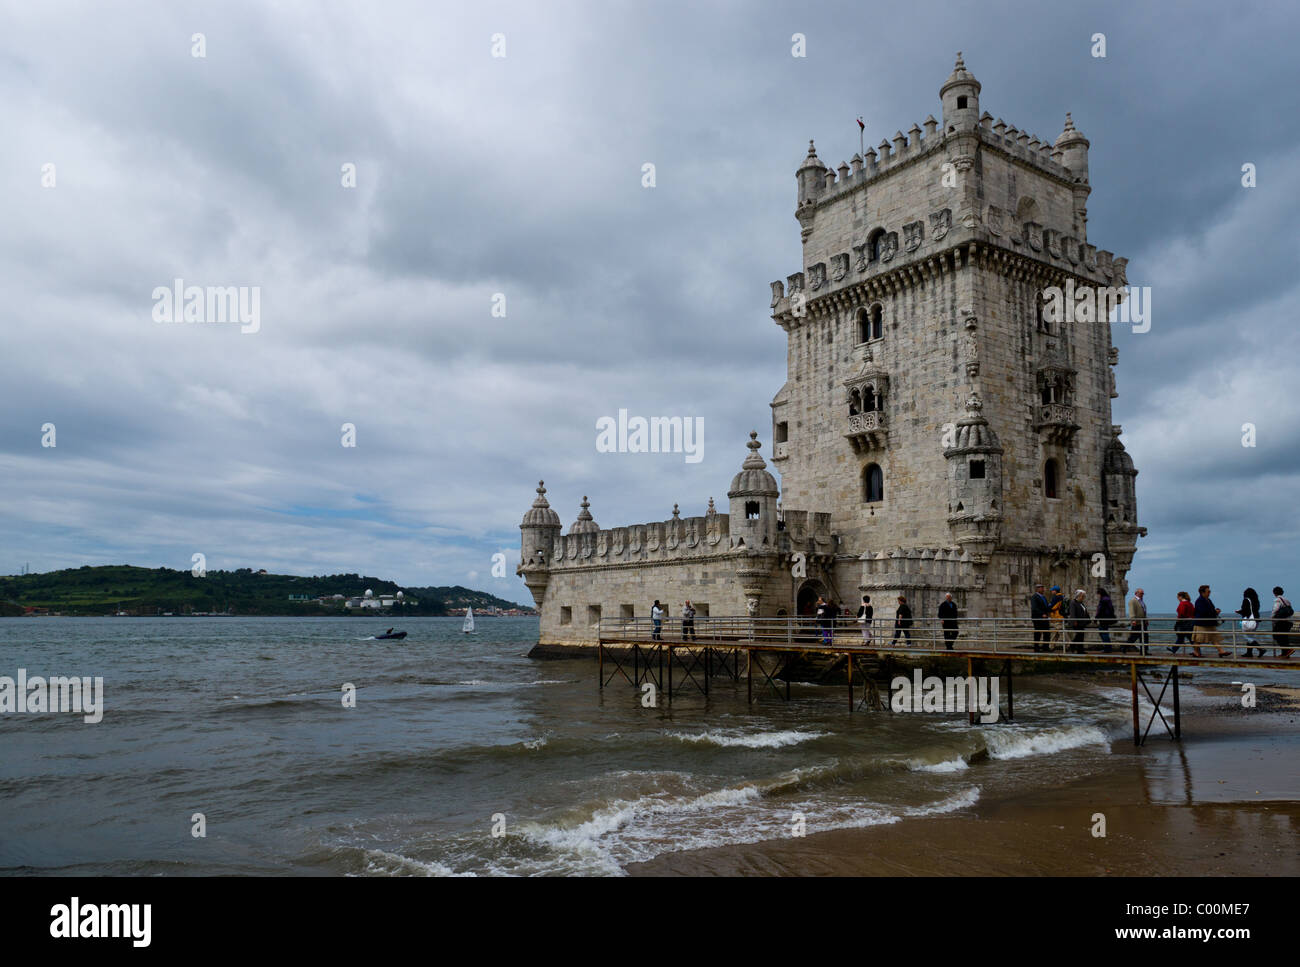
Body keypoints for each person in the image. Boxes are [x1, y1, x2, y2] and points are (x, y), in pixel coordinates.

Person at [1191, 585, 1224, 657]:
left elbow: (1211, 609)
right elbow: (1203, 612)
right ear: (1203, 592)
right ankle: (1196, 652)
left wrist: (1215, 611)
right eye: (1208, 591)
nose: (1209, 593)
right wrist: (1215, 612)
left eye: (1210, 591)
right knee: (1198, 639)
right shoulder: (1199, 601)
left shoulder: (1208, 600)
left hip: (1209, 623)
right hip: (1201, 623)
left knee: (1215, 638)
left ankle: (1221, 651)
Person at [1236, 588, 1261, 658]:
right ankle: (1249, 653)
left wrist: (1239, 612)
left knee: (1246, 636)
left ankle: (1261, 649)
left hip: (1249, 620)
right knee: (1250, 636)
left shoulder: (1246, 600)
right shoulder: (1256, 601)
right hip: (1256, 620)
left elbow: (1245, 610)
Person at [1271, 586, 1294, 659]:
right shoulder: (1286, 600)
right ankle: (1285, 653)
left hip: (1280, 621)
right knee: (1284, 637)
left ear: (1274, 593)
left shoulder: (1278, 600)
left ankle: (1288, 650)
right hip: (1287, 621)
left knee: (1276, 635)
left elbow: (1275, 610)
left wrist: (1271, 618)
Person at [1125, 587, 1149, 655]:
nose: (1142, 595)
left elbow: (1144, 611)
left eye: (1143, 593)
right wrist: (1133, 620)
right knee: (1133, 637)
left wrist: (1146, 620)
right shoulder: (1133, 601)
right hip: (1137, 622)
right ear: (1136, 593)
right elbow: (1131, 611)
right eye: (1141, 593)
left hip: (1143, 622)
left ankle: (1144, 651)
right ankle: (1124, 647)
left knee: (1145, 637)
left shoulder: (1141, 601)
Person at [1067, 589, 1091, 653]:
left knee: (1080, 636)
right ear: (1078, 595)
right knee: (1079, 635)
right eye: (1082, 596)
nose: (1083, 597)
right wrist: (1074, 621)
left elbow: (1085, 611)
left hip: (1082, 622)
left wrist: (1089, 619)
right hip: (1077, 622)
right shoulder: (1073, 602)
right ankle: (1073, 646)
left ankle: (1079, 650)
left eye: (1083, 596)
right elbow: (1072, 613)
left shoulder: (1081, 603)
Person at [1030, 584, 1051, 653]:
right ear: (1037, 589)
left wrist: (1048, 612)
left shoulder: (1043, 597)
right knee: (1038, 633)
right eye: (1041, 588)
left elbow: (1046, 606)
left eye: (1043, 588)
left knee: (1047, 633)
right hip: (1038, 618)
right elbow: (1034, 608)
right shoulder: (1034, 597)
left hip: (1045, 618)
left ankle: (1045, 648)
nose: (1043, 589)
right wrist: (1042, 614)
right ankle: (1036, 648)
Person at [1048, 586, 1066, 650]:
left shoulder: (1056, 597)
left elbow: (1053, 607)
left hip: (1057, 617)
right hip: (1058, 616)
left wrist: (1048, 608)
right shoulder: (1061, 596)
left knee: (1061, 632)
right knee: (1055, 632)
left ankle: (1069, 645)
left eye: (1052, 590)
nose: (1051, 591)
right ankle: (1051, 646)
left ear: (1055, 591)